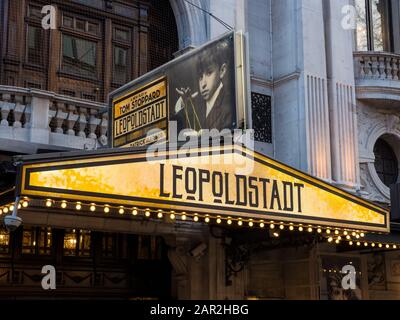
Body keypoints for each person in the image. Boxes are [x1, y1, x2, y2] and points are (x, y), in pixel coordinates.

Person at [174, 39, 236, 133]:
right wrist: (184, 102)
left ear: (222, 70)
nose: (203, 84)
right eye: (200, 77)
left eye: (209, 73)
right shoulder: (197, 103)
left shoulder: (229, 102)